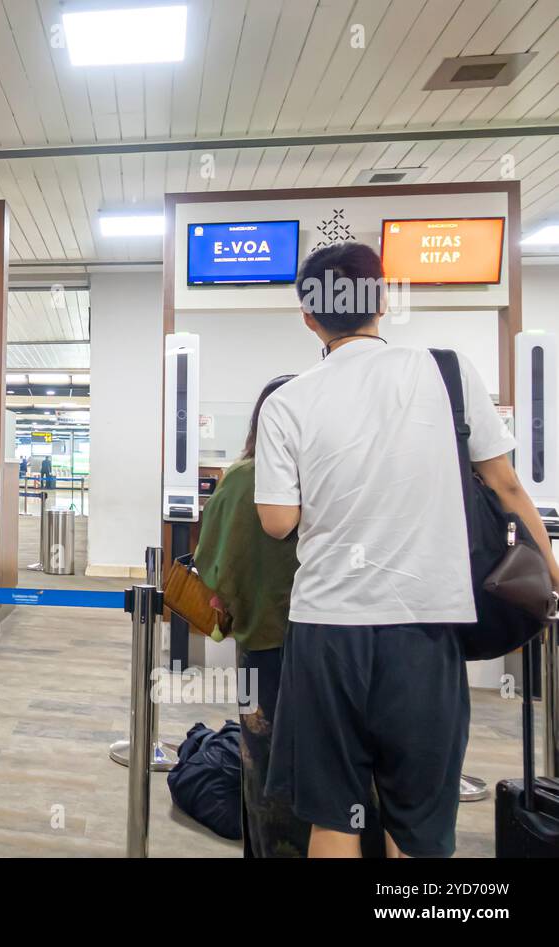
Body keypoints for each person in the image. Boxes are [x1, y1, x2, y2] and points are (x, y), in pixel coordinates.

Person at [253, 241, 559, 858]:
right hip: (426, 625)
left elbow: (279, 521)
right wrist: (552, 577)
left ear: (309, 316)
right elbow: (504, 485)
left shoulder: (287, 401)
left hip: (327, 628)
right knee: (417, 822)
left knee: (332, 815)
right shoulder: (448, 372)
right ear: (382, 301)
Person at [193, 375, 310, 857]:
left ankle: (269, 847)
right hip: (338, 643)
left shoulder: (244, 478)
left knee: (262, 756)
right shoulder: (332, 473)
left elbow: (214, 571)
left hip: (262, 644)